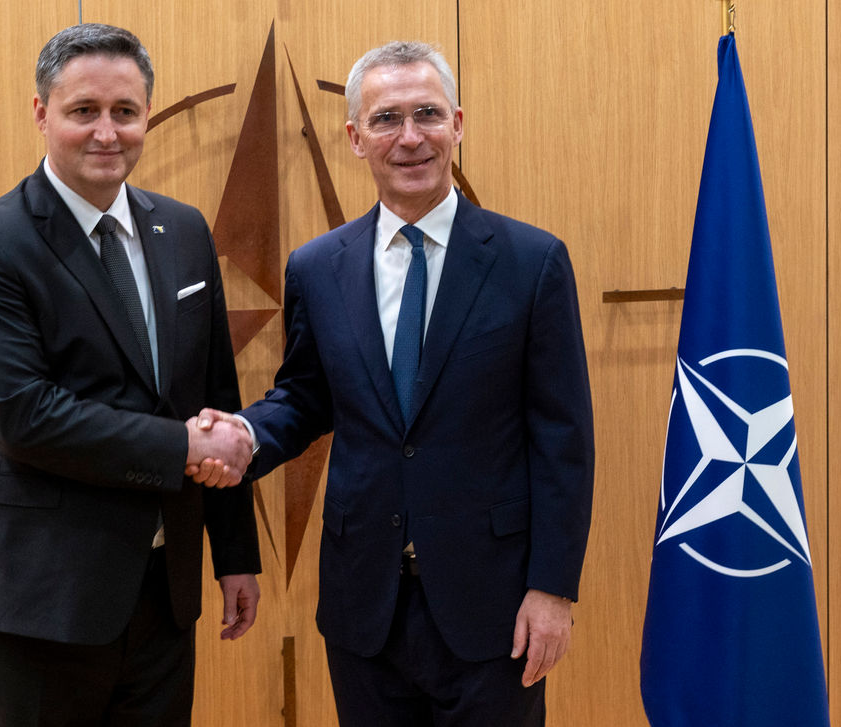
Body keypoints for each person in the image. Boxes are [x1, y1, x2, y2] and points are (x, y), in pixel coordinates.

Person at [195, 40, 594, 725]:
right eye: (386, 119)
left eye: (427, 114)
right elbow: (304, 395)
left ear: (458, 124)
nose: (410, 137)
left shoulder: (533, 262)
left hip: (494, 607)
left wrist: (552, 590)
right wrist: (246, 433)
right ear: (355, 136)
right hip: (364, 604)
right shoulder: (318, 268)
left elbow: (564, 442)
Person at [0, 23, 261, 727]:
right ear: (41, 113)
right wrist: (183, 446)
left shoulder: (183, 229)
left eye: (126, 111)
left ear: (148, 113)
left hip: (162, 594)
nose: (107, 132)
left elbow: (215, 396)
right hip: (39, 597)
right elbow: (25, 415)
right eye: (84, 111)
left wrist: (235, 553)